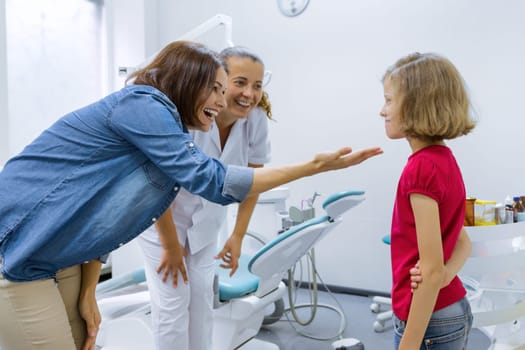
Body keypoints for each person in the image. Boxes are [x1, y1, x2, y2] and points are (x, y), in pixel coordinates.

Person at [0, 40, 383, 350]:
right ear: (188, 80)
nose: (222, 100)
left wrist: (89, 292)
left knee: (100, 332)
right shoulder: (143, 105)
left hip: (67, 254)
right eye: (217, 88)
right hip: (21, 250)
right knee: (169, 308)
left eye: (225, 89)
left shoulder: (180, 123)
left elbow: (105, 214)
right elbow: (210, 180)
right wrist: (313, 167)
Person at [137, 46, 273, 350]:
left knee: (201, 302)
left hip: (206, 225)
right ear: (218, 81)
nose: (249, 94)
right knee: (173, 305)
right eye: (239, 82)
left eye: (257, 85)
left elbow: (253, 182)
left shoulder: (256, 119)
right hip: (162, 220)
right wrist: (171, 246)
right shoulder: (185, 115)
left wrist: (237, 236)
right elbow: (155, 187)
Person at [380, 52, 476, 350]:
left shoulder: (419, 169)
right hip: (451, 310)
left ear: (416, 106)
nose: (382, 111)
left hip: (430, 319)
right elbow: (463, 243)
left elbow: (431, 272)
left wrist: (407, 345)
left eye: (389, 100)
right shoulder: (444, 160)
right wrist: (445, 274)